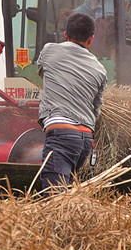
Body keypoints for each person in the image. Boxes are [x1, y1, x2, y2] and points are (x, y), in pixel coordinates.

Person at [36, 13, 107, 194]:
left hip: (61, 137)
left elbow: (42, 70)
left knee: (56, 200)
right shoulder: (100, 70)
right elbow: (95, 110)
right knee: (71, 198)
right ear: (91, 40)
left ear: (66, 35)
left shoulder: (50, 50)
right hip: (85, 141)